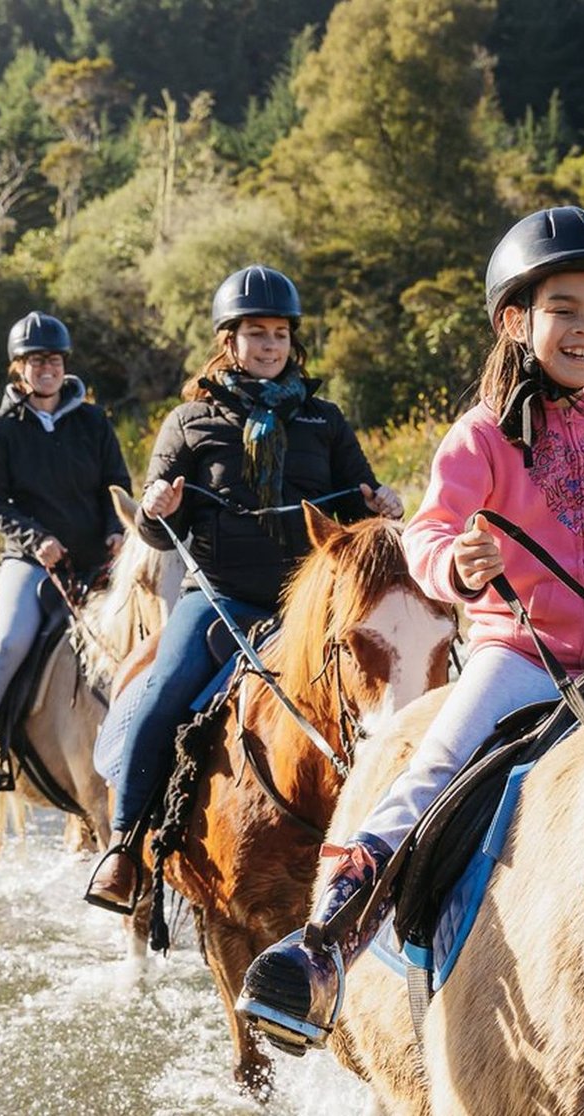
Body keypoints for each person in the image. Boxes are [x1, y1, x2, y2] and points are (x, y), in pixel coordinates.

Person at [237, 205, 584, 1049]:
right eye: (567, 309)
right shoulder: (479, 436)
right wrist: (456, 565)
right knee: (434, 769)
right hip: (523, 655)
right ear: (517, 321)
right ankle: (327, 948)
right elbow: (428, 530)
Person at [83, 265, 403, 913]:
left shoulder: (325, 421)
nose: (270, 346)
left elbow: (365, 505)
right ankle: (123, 849)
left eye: (280, 334)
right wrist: (157, 505)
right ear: (228, 340)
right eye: (256, 333)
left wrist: (384, 501)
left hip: (309, 606)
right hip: (220, 599)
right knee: (162, 695)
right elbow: (150, 526)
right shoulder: (188, 421)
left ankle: (399, 840)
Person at [0, 311, 133, 791]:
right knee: (13, 639)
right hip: (31, 560)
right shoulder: (0, 428)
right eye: (36, 361)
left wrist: (114, 532)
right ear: (19, 368)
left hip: (96, 557)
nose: (47, 369)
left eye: (54, 360)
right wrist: (36, 539)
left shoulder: (93, 421)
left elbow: (114, 484)